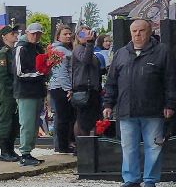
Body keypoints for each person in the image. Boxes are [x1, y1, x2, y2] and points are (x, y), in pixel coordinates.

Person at [100, 19, 176, 187]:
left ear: (149, 32)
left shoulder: (162, 51)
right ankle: (131, 178)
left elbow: (171, 80)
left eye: (141, 31)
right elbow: (111, 82)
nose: (137, 34)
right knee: (128, 146)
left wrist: (170, 104)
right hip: (127, 109)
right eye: (134, 31)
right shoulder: (121, 54)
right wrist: (108, 104)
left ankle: (150, 178)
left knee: (154, 146)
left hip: (154, 109)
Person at [12, 23, 47, 165]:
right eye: (33, 33)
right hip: (25, 91)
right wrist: (39, 74)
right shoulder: (21, 47)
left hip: (37, 90)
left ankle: (28, 152)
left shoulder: (38, 48)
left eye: (38, 33)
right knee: (27, 123)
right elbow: (19, 72)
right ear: (27, 33)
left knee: (33, 124)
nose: (35, 36)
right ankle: (25, 153)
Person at [68, 28, 106, 141]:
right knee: (83, 121)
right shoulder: (79, 49)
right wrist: (89, 43)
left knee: (91, 119)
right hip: (83, 89)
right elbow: (85, 60)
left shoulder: (91, 50)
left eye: (89, 33)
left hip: (92, 89)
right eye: (82, 34)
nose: (86, 35)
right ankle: (82, 146)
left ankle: (89, 145)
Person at [0, 22, 18, 161]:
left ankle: (11, 149)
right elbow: (3, 75)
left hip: (14, 92)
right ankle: (4, 151)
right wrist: (12, 89)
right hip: (7, 93)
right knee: (6, 121)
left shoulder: (12, 52)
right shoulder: (3, 53)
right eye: (13, 34)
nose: (16, 35)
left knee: (14, 121)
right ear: (5, 36)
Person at [46, 25, 76, 154]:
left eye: (70, 34)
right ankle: (63, 146)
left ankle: (64, 144)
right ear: (58, 36)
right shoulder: (60, 51)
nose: (68, 36)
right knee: (63, 118)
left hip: (59, 86)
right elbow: (61, 71)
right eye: (65, 34)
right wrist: (68, 88)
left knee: (65, 117)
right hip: (61, 87)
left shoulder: (63, 49)